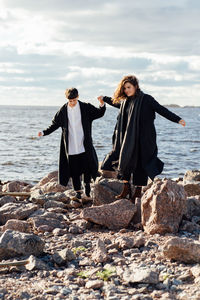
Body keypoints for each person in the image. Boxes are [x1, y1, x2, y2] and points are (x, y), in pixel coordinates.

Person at [98, 75, 186, 203]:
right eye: (125, 88)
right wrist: (104, 99)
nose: (127, 90)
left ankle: (138, 192)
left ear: (135, 86)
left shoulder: (146, 99)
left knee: (140, 163)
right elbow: (116, 102)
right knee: (124, 160)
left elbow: (161, 109)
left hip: (143, 138)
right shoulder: (125, 101)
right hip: (127, 138)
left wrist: (177, 119)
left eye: (129, 87)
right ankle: (126, 188)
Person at [38, 87, 105, 200]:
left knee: (87, 167)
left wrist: (102, 104)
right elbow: (55, 124)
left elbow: (99, 113)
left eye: (74, 100)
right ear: (67, 99)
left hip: (84, 143)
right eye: (70, 101)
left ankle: (87, 187)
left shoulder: (85, 107)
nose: (72, 102)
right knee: (74, 170)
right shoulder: (63, 110)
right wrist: (44, 132)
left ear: (77, 97)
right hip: (71, 145)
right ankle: (78, 191)